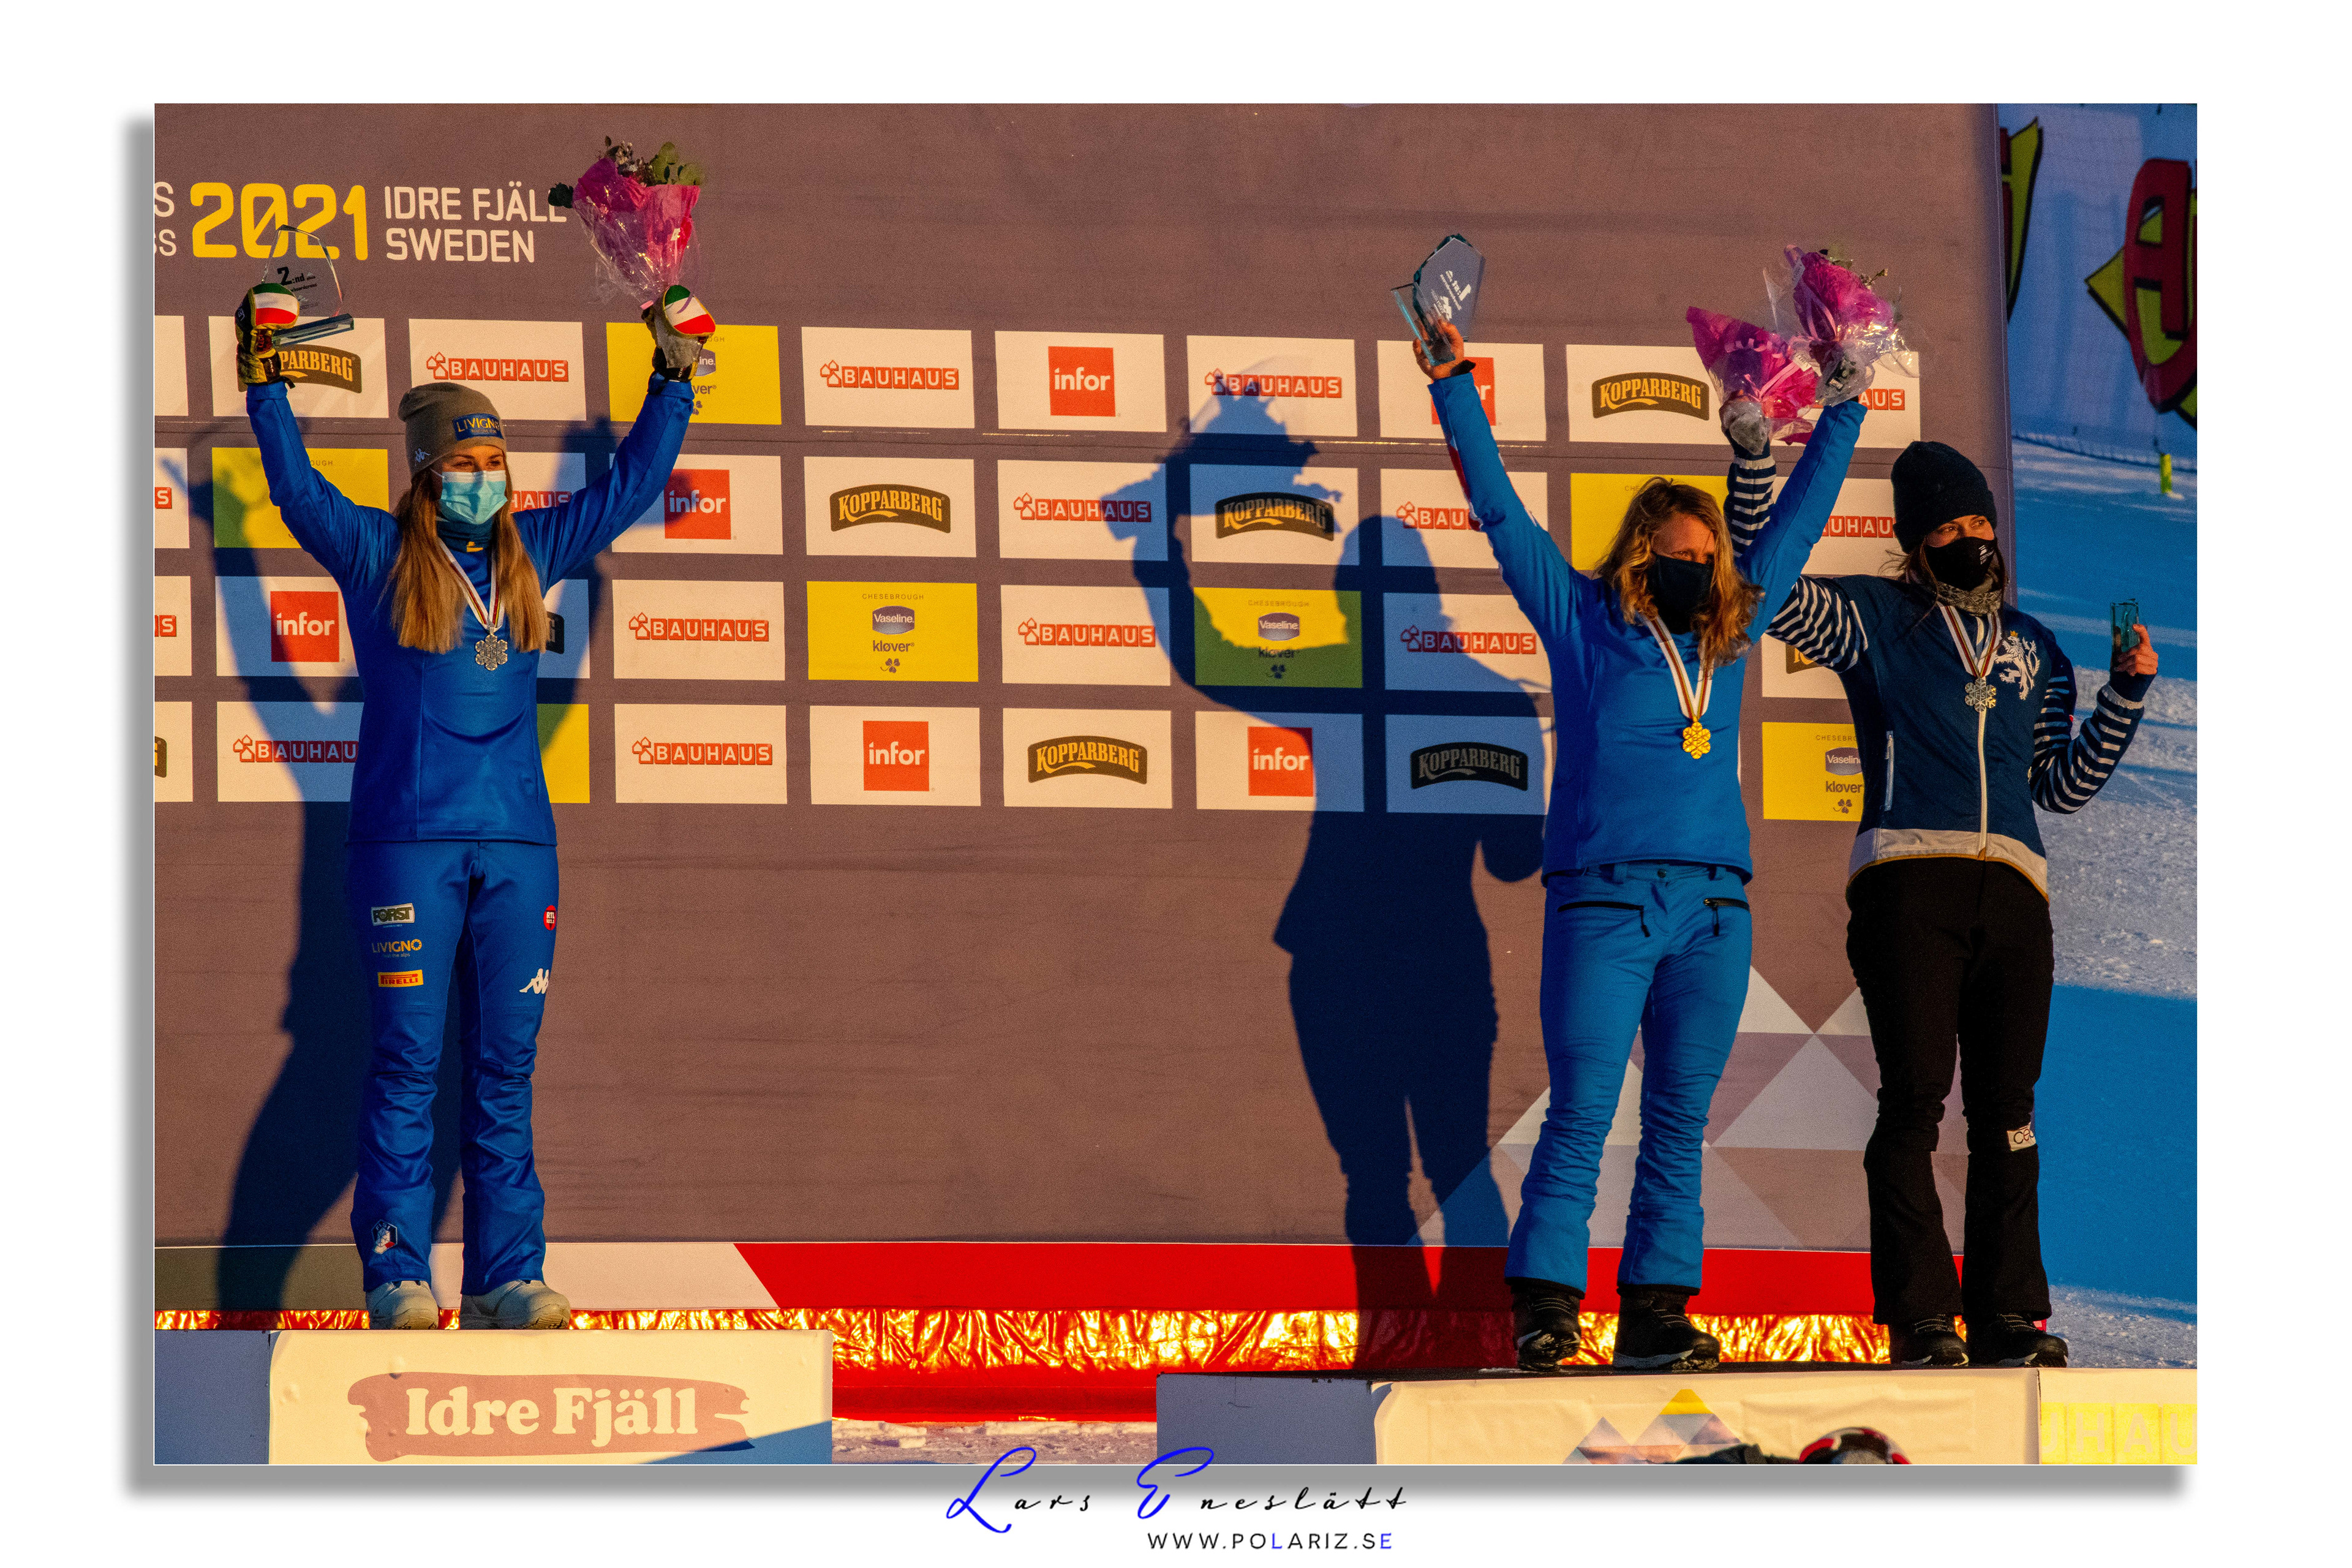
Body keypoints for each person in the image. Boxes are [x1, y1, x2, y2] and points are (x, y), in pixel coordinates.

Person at [235, 287, 710, 1328]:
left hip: (520, 848)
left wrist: (672, 379)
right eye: (465, 463)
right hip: (408, 846)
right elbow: (297, 494)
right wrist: (265, 384)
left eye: (495, 462)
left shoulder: (532, 554)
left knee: (506, 1069)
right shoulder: (376, 553)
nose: (484, 479)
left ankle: (506, 1276)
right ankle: (397, 1273)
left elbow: (631, 487)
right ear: (426, 473)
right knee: (408, 1063)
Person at [1417, 318, 1866, 1370]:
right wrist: (1453, 385)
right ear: (1639, 553)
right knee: (1582, 1110)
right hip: (1606, 903)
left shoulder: (1734, 629)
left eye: (1708, 556)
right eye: (1680, 554)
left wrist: (1844, 405)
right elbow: (1500, 513)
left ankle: (1657, 1313)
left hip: (1713, 913)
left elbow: (1798, 526)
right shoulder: (1581, 620)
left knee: (1678, 1120)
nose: (1699, 568)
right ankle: (1546, 1307)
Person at [1738, 439, 2158, 1367]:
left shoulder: (2036, 647)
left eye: (1979, 522)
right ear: (1914, 542)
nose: (1971, 539)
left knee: (2009, 1108)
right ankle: (1923, 1316)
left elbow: (2060, 786)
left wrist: (2124, 696)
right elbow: (1763, 587)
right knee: (1915, 1102)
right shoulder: (1872, 617)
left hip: (2014, 890)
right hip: (1907, 880)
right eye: (1947, 528)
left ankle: (2010, 1316)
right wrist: (1755, 467)